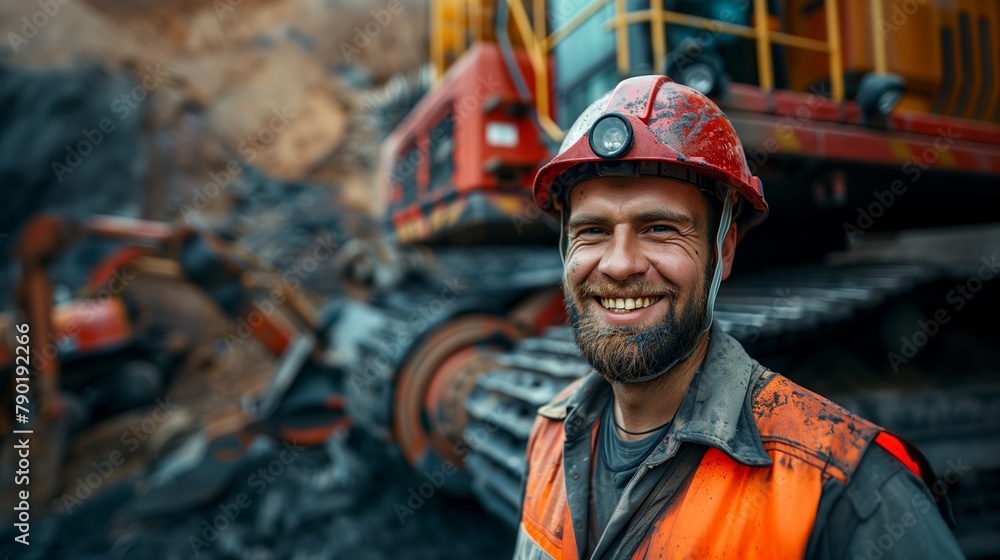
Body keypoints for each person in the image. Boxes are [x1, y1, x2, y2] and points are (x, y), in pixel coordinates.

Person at [513, 75, 963, 559]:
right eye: (593, 231)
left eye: (660, 228)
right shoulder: (550, 434)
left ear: (723, 250)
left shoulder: (844, 488)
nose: (620, 264)